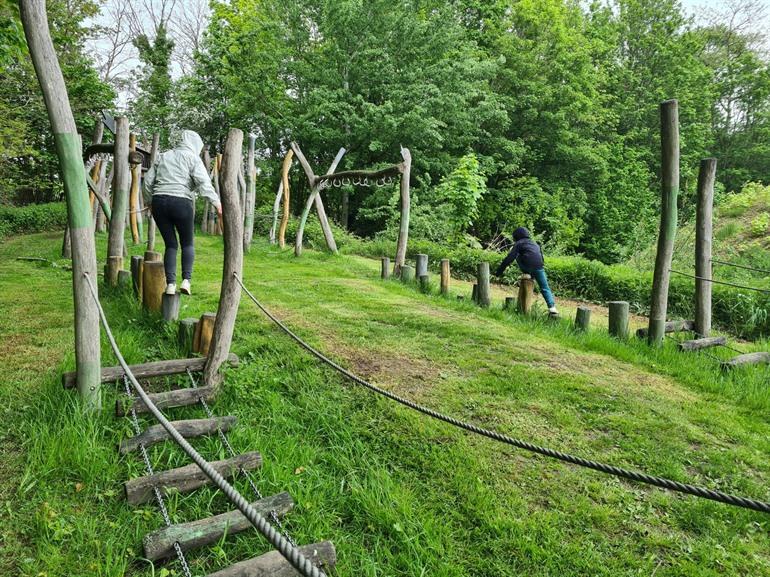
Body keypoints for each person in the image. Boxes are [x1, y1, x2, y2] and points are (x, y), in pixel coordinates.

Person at [143, 130, 221, 296]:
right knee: (187, 244)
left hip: (159, 202)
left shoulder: (163, 156)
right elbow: (203, 182)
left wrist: (150, 202)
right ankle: (186, 281)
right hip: (181, 202)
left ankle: (170, 285)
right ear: (195, 144)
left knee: (171, 244)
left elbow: (148, 182)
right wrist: (217, 203)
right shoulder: (193, 158)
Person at [494, 227, 558, 315]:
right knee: (545, 287)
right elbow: (541, 258)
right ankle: (552, 307)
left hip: (526, 267)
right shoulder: (535, 244)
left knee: (517, 255)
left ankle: (527, 273)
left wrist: (499, 272)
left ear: (516, 236)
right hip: (539, 267)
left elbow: (509, 258)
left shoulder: (519, 243)